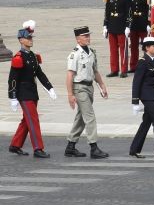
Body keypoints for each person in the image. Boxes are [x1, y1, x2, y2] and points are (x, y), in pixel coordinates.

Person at [8, 21, 56, 158]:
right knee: (33, 119)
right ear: (21, 40)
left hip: (32, 93)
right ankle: (38, 148)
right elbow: (12, 78)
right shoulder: (18, 57)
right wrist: (12, 96)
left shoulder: (33, 56)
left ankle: (15, 145)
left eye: (31, 38)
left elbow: (40, 74)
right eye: (28, 38)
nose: (31, 40)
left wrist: (49, 88)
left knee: (26, 120)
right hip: (23, 94)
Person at [65, 26, 110, 159]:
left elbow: (95, 71)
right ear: (78, 39)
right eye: (85, 36)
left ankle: (70, 146)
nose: (88, 38)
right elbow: (69, 76)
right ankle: (93, 147)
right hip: (79, 88)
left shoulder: (91, 52)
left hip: (89, 87)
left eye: (88, 35)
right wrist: (70, 95)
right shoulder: (75, 55)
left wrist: (102, 85)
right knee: (90, 117)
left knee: (81, 118)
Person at [129, 36, 154, 160]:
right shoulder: (142, 62)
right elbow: (136, 82)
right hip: (146, 96)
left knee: (146, 122)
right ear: (147, 48)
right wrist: (135, 102)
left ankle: (134, 149)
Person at [104, 0, 131, 77]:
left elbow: (129, 12)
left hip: (121, 26)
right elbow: (107, 12)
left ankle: (124, 70)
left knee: (123, 49)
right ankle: (114, 69)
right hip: (112, 25)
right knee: (113, 50)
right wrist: (105, 26)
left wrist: (128, 26)